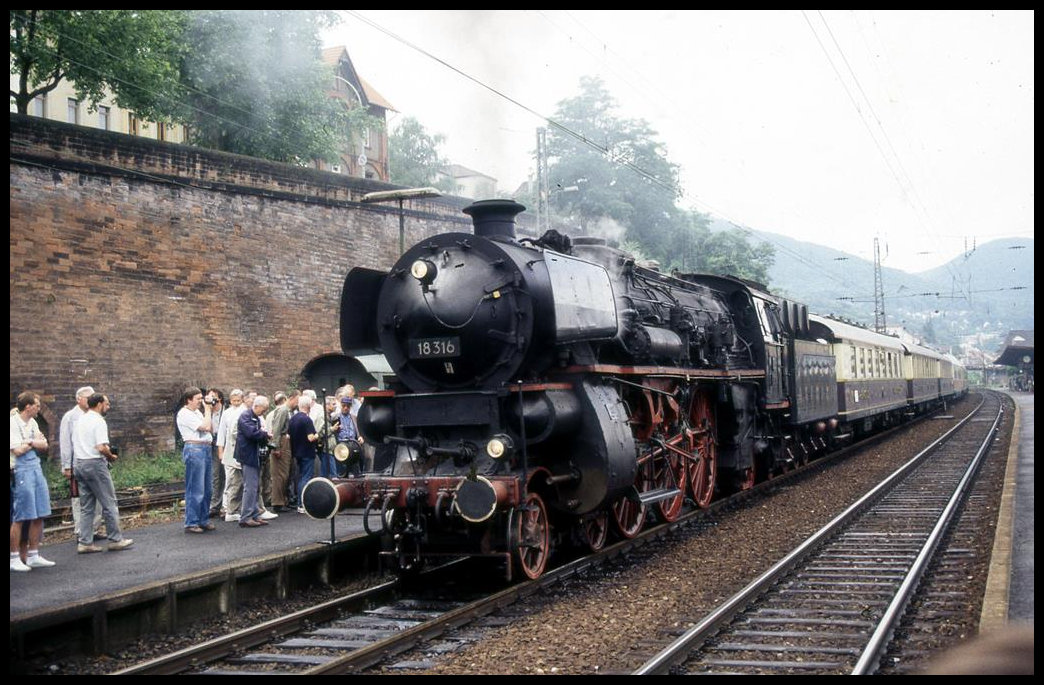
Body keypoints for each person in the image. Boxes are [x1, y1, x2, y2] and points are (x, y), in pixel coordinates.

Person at [72, 393, 133, 553]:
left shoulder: (81, 419)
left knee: (87, 507)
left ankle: (85, 542)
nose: (108, 406)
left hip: (79, 463)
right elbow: (101, 447)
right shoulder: (98, 421)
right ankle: (115, 539)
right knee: (109, 502)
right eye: (107, 403)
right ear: (99, 404)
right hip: (95, 464)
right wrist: (111, 456)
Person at [10, 392, 55, 571]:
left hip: (35, 468)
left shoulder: (33, 423)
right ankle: (14, 557)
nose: (38, 408)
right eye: (36, 405)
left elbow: (45, 445)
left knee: (40, 512)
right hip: (20, 470)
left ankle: (33, 554)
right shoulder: (13, 423)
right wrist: (34, 441)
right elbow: (17, 451)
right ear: (28, 407)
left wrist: (28, 441)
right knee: (21, 515)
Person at [59, 386, 103, 540]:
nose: (91, 399)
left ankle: (94, 529)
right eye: (88, 397)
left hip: (94, 461)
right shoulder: (70, 417)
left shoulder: (94, 415)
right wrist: (66, 465)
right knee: (79, 499)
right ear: (79, 399)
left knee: (97, 496)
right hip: (77, 462)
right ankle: (80, 531)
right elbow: (66, 442)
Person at [176, 387, 215, 534]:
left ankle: (203, 519)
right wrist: (208, 410)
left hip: (205, 448)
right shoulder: (184, 413)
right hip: (195, 449)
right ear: (189, 400)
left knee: (207, 488)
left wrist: (207, 411)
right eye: (198, 399)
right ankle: (191, 522)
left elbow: (210, 428)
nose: (201, 401)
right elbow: (205, 426)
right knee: (196, 488)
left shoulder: (197, 412)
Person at [234, 395, 272, 528]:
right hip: (248, 456)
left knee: (255, 487)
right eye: (264, 409)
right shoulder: (245, 417)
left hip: (254, 455)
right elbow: (251, 433)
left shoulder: (254, 417)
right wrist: (265, 435)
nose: (264, 412)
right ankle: (246, 517)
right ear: (256, 406)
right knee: (250, 487)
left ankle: (254, 514)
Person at [217, 389, 246, 522]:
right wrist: (220, 450)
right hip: (229, 450)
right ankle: (226, 507)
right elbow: (222, 432)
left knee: (240, 481)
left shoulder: (244, 411)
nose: (236, 403)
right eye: (233, 401)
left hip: (240, 449)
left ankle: (236, 507)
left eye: (238, 400)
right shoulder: (226, 413)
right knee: (230, 480)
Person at [288, 394, 320, 513]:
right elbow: (310, 438)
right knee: (306, 477)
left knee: (300, 477)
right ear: (309, 406)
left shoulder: (293, 419)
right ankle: (302, 504)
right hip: (307, 452)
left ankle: (299, 503)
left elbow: (288, 435)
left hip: (296, 452)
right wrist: (317, 435)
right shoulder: (307, 420)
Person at [266, 391, 293, 512]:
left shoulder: (278, 411)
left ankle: (280, 501)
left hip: (281, 441)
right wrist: (276, 447)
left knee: (282, 474)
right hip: (281, 443)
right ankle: (277, 502)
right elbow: (276, 430)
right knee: (280, 474)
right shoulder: (283, 411)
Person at [206, 388, 225, 519]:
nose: (210, 399)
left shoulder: (226, 411)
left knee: (227, 475)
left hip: (225, 445)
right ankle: (215, 505)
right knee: (216, 475)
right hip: (213, 444)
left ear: (219, 398)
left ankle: (225, 505)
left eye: (213, 396)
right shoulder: (208, 412)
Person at [335, 395, 365, 476]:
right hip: (341, 445)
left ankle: (358, 474)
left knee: (357, 463)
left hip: (352, 443)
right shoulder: (335, 417)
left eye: (348, 406)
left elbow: (358, 429)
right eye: (344, 406)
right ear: (341, 405)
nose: (346, 408)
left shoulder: (354, 417)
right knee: (342, 469)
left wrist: (360, 436)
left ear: (350, 407)